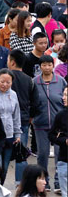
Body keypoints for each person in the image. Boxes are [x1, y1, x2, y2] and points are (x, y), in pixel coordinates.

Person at [33, 55, 67, 191]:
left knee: (60, 155)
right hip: (40, 123)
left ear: (53, 66)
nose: (47, 67)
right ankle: (43, 181)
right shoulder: (34, 82)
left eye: (49, 65)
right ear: (40, 67)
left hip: (59, 126)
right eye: (44, 65)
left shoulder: (61, 81)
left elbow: (65, 100)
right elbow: (31, 101)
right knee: (42, 154)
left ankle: (59, 183)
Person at [7, 49, 38, 185]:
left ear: (12, 62)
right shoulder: (29, 80)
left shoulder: (4, 77)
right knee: (21, 153)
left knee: (4, 153)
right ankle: (21, 184)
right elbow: (35, 102)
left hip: (6, 120)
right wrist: (30, 117)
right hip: (23, 121)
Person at [0, 70, 21, 184]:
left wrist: (17, 133)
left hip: (9, 135)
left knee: (5, 167)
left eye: (8, 82)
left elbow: (16, 115)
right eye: (2, 81)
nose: (5, 84)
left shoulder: (14, 94)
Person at [49, 87, 67, 197]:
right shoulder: (61, 115)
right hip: (64, 161)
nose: (63, 98)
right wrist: (64, 140)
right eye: (63, 94)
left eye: (66, 95)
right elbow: (51, 135)